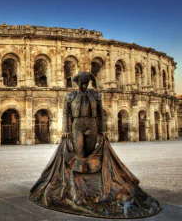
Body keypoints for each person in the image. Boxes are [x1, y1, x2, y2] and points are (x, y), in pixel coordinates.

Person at [29, 72, 160, 219]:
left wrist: (102, 130)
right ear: (77, 83)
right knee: (79, 153)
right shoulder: (70, 96)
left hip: (91, 124)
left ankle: (90, 182)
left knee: (92, 153)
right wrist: (66, 130)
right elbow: (66, 115)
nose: (84, 85)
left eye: (86, 83)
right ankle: (78, 186)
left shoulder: (96, 96)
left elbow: (100, 114)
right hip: (77, 125)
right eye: (82, 83)